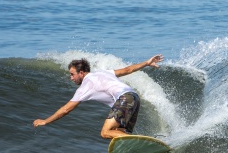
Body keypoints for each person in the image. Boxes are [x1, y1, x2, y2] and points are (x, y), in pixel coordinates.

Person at [33, 54, 164, 139]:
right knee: (119, 132)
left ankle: (141, 141)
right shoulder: (103, 72)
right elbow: (127, 70)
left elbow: (66, 109)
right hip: (134, 96)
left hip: (124, 98)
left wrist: (46, 121)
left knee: (105, 132)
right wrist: (146, 62)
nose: (71, 78)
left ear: (82, 73)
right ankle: (138, 146)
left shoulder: (86, 86)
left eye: (72, 74)